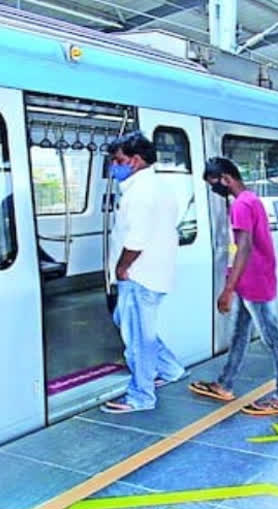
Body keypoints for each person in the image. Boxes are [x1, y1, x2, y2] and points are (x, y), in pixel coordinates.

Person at [188, 157, 278, 416]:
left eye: (215, 183)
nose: (215, 189)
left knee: (273, 339)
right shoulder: (250, 200)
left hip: (254, 281)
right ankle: (225, 384)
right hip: (250, 280)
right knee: (239, 335)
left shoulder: (242, 205)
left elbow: (244, 247)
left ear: (226, 178)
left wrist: (227, 290)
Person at [100, 131, 187, 414]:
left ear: (135, 161)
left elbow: (136, 239)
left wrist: (122, 267)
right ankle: (171, 370)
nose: (114, 166)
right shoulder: (161, 188)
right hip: (157, 272)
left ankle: (141, 397)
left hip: (139, 275)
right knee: (136, 327)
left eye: (118, 160)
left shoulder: (139, 194)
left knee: (137, 339)